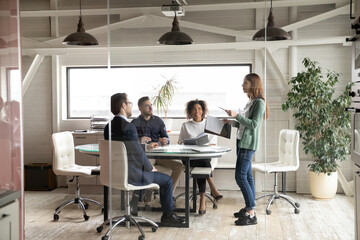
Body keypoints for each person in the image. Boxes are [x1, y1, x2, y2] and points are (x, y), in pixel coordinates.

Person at [104, 93, 184, 224]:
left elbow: (125, 152)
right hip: (133, 175)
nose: (130, 107)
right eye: (129, 104)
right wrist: (150, 167)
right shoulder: (129, 127)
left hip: (115, 173)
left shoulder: (108, 127)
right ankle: (167, 216)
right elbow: (137, 153)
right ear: (123, 105)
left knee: (162, 174)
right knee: (167, 180)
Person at [224, 73, 268, 226]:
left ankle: (251, 214)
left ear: (253, 84)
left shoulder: (259, 103)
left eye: (245, 83)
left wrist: (237, 115)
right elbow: (244, 124)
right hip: (241, 141)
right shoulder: (250, 102)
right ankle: (250, 209)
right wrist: (231, 121)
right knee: (248, 177)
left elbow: (254, 124)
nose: (242, 86)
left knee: (240, 177)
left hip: (248, 145)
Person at [131, 96, 184, 196]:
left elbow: (166, 139)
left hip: (160, 157)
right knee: (149, 167)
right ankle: (147, 192)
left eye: (151, 105)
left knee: (179, 166)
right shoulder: (134, 123)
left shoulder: (158, 121)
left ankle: (168, 194)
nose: (151, 108)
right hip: (145, 157)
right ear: (140, 109)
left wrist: (165, 140)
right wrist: (140, 140)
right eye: (147, 106)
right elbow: (130, 143)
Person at [178, 99, 223, 216]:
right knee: (203, 163)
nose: (197, 111)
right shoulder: (185, 125)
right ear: (190, 112)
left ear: (203, 111)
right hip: (189, 157)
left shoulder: (209, 124)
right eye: (194, 109)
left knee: (203, 162)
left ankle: (202, 200)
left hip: (205, 157)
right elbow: (180, 142)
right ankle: (212, 188)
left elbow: (213, 143)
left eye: (199, 109)